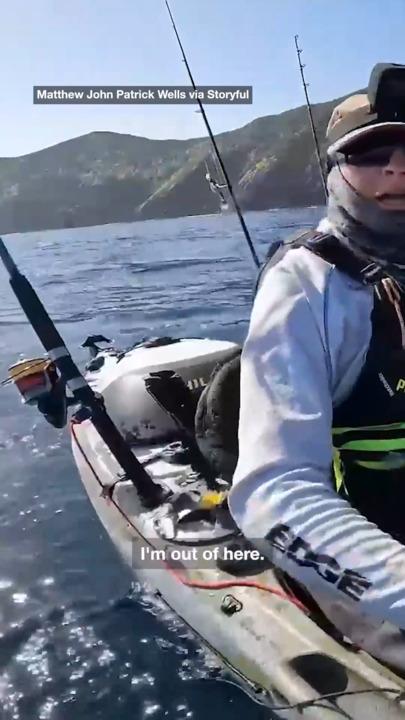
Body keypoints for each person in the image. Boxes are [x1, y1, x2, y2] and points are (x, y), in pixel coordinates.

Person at [227, 63, 405, 672]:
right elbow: (272, 492)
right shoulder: (306, 286)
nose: (398, 168)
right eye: (372, 153)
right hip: (370, 547)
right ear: (336, 172)